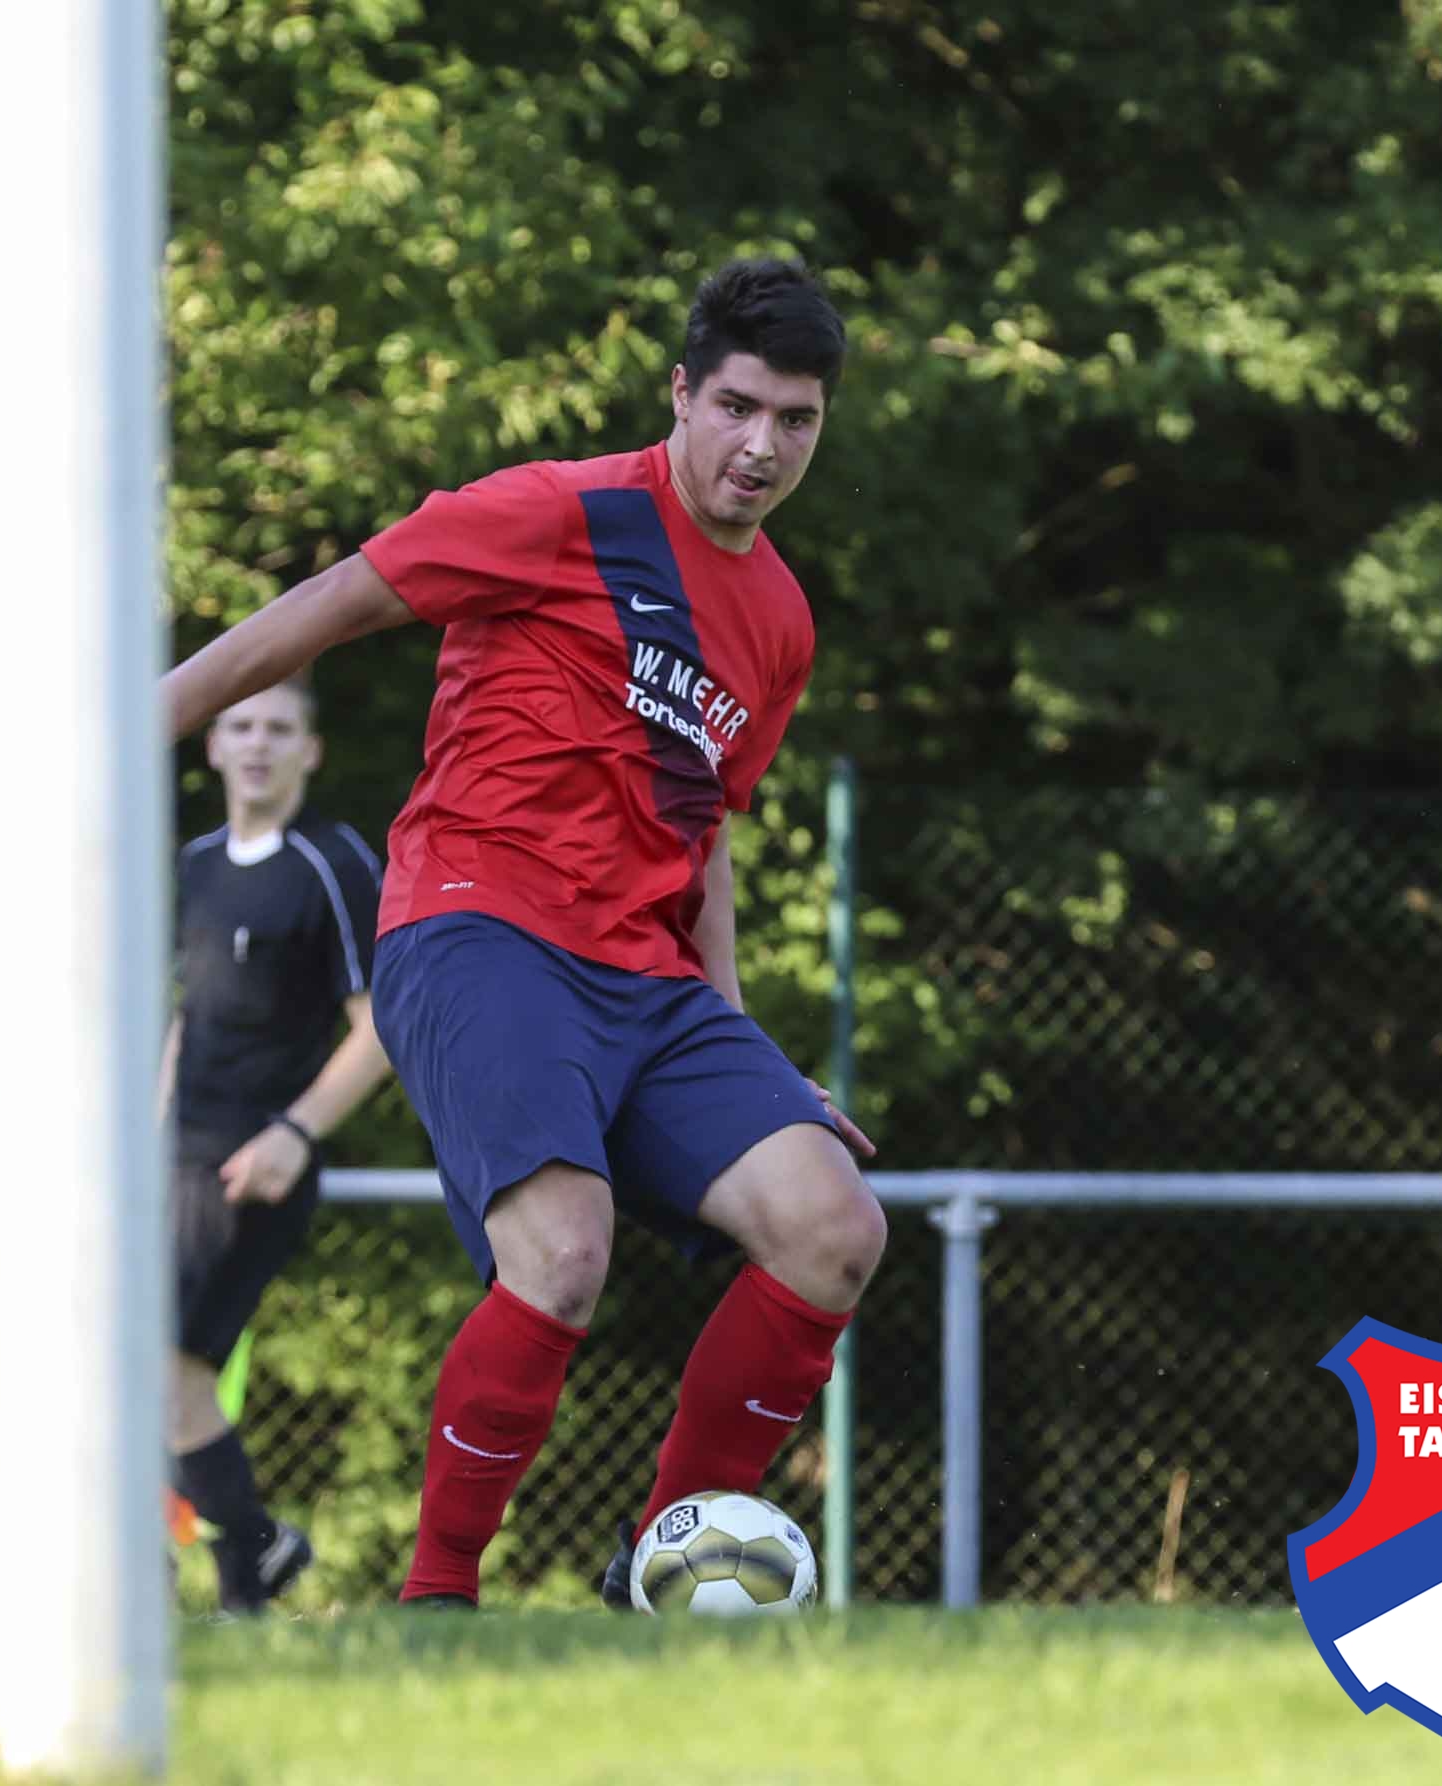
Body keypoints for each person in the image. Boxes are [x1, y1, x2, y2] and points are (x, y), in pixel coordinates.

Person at [156, 259, 886, 1608]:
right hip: (477, 928)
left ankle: (660, 1576)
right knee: (561, 1252)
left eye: (795, 419)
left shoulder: (778, 619)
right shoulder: (559, 510)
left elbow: (703, 832)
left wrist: (740, 1042)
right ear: (681, 392)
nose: (760, 445)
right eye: (736, 407)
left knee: (832, 1221)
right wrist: (131, 722)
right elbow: (333, 601)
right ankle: (436, 1601)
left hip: (647, 978)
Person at [161, 676, 392, 1613]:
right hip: (170, 1161)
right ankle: (251, 1560)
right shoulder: (192, 862)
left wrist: (294, 1132)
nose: (257, 743)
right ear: (213, 746)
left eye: (278, 728)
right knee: (150, 1373)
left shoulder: (333, 862)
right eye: (240, 726)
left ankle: (240, 1570)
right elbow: (188, 1017)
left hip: (250, 1167)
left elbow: (381, 1027)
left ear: (310, 751)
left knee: (158, 1367)